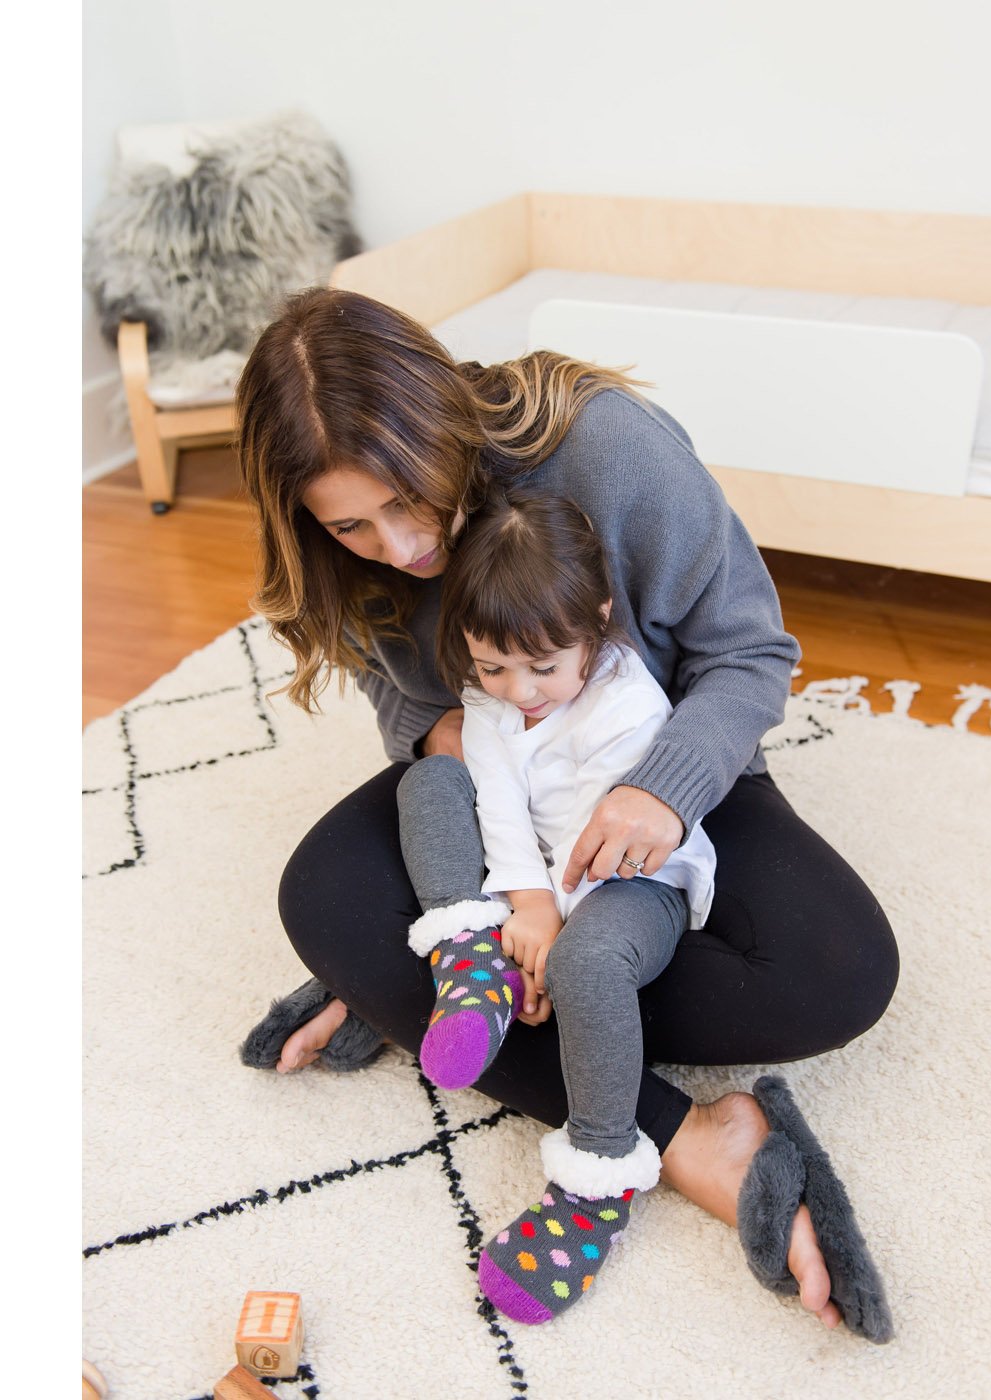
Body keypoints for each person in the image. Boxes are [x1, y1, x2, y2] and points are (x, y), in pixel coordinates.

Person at [235, 286, 899, 1341]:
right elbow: (396, 687)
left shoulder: (604, 448)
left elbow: (749, 653)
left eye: (411, 500)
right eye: (350, 524)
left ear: (442, 424)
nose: (403, 547)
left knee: (842, 970)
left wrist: (663, 792)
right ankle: (685, 1137)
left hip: (658, 779)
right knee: (321, 893)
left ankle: (440, 993)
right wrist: (435, 735)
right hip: (509, 790)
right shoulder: (340, 554)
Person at [399, 489, 718, 1323]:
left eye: (544, 667)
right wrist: (520, 913)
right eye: (494, 664)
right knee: (432, 779)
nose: (522, 690)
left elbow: (597, 840)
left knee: (585, 963)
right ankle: (470, 966)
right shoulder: (493, 696)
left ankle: (597, 1185)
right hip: (541, 876)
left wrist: (550, 931)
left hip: (624, 879)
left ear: (597, 622)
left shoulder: (628, 707)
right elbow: (496, 800)